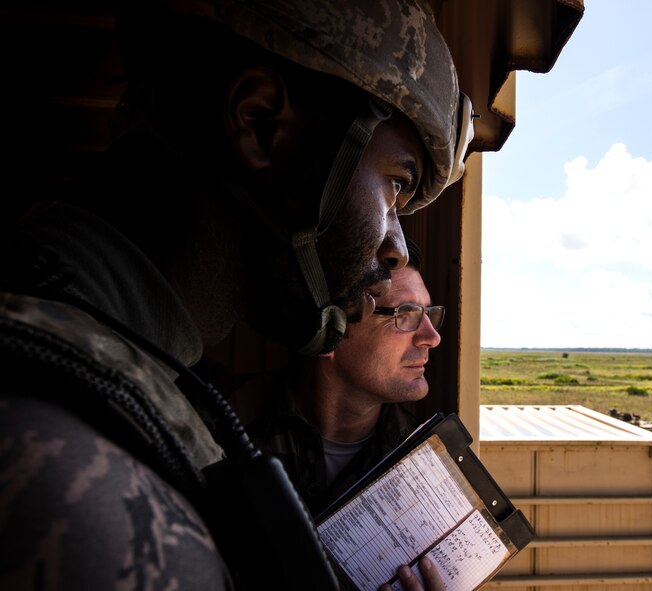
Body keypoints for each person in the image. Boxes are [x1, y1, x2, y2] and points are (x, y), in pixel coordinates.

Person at [0, 1, 473, 590]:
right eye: (394, 185)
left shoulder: (108, 368)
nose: (397, 248)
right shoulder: (92, 503)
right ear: (259, 123)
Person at [241, 237, 444, 516]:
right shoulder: (226, 427)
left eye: (429, 314)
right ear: (329, 332)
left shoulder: (421, 457)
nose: (432, 337)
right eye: (405, 314)